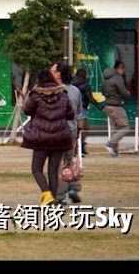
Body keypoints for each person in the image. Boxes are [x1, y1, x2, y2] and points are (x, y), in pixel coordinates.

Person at [21, 68, 75, 206]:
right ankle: (53, 200)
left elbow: (27, 110)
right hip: (60, 137)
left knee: (36, 169)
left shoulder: (35, 95)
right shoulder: (63, 94)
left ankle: (47, 194)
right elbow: (70, 114)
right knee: (53, 170)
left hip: (41, 138)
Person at [51, 63, 83, 204]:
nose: (50, 73)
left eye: (52, 71)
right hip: (71, 131)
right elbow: (79, 111)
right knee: (69, 162)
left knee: (58, 165)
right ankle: (74, 188)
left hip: (56, 131)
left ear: (58, 74)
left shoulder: (52, 90)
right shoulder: (75, 90)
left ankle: (60, 196)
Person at [102, 60, 132, 156]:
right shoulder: (118, 78)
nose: (123, 72)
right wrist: (128, 94)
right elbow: (123, 91)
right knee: (125, 127)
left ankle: (114, 151)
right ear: (120, 68)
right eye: (123, 70)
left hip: (108, 105)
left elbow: (103, 92)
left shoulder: (105, 78)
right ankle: (110, 143)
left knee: (115, 128)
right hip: (116, 106)